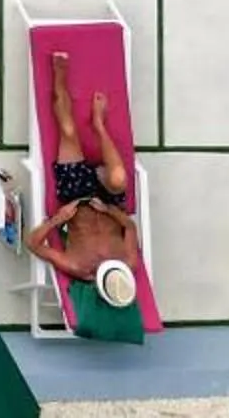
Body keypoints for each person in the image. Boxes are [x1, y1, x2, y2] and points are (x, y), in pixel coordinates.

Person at [22, 50, 141, 304]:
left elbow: (33, 244)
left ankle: (60, 75)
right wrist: (110, 211)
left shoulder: (76, 266)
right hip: (107, 202)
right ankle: (99, 125)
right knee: (119, 178)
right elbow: (130, 226)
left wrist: (58, 219)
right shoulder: (129, 262)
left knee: (67, 129)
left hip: (75, 197)